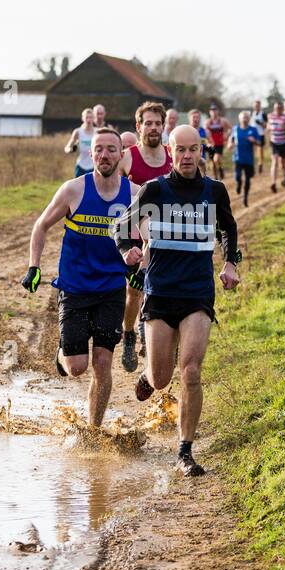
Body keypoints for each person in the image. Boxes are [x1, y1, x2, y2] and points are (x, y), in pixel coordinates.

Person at [115, 125, 241, 477]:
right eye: (180, 150)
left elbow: (228, 230)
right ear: (170, 152)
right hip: (160, 292)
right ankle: (148, 373)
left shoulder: (214, 191)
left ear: (202, 150)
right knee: (160, 377)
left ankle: (184, 449)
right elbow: (121, 227)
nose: (187, 156)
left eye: (193, 149)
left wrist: (231, 263)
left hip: (197, 293)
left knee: (191, 370)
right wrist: (129, 249)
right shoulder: (156, 190)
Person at [22, 128, 131, 430]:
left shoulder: (134, 195)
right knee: (77, 368)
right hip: (74, 287)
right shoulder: (73, 190)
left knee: (103, 363)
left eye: (112, 149)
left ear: (121, 155)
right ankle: (64, 353)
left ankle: (94, 428)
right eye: (99, 149)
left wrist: (142, 262)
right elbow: (41, 226)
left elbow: (149, 236)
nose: (105, 155)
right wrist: (34, 266)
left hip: (111, 288)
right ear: (91, 153)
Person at [117, 101, 173, 373]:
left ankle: (151, 337)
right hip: (135, 234)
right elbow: (108, 188)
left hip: (168, 235)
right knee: (133, 290)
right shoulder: (128, 157)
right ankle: (129, 334)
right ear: (138, 126)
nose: (153, 128)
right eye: (148, 123)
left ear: (163, 127)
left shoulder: (173, 155)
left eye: (157, 123)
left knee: (162, 289)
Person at [232, 110, 263, 207]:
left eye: (246, 117)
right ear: (239, 118)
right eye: (243, 117)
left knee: (248, 179)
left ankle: (245, 198)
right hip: (238, 157)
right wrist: (229, 144)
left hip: (249, 159)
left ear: (249, 119)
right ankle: (238, 183)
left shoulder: (253, 129)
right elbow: (231, 138)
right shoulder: (235, 128)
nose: (245, 118)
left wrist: (254, 141)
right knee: (238, 176)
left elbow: (259, 143)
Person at [267, 101, 285, 192]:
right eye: (276, 108)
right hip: (274, 143)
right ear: (274, 108)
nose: (278, 109)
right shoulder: (271, 116)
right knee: (275, 162)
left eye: (279, 108)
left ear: (282, 109)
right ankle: (273, 183)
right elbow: (267, 127)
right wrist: (270, 128)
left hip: (284, 143)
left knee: (283, 164)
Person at [64, 108, 95, 177]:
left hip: (93, 166)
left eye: (90, 117)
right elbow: (67, 147)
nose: (89, 120)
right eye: (86, 117)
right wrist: (70, 150)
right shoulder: (78, 132)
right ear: (82, 118)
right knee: (78, 187)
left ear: (93, 118)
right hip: (81, 166)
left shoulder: (97, 132)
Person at [205, 104, 228, 181]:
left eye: (215, 110)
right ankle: (216, 176)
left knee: (217, 159)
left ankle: (220, 170)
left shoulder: (222, 121)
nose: (214, 112)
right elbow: (205, 133)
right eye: (212, 110)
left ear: (218, 111)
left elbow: (231, 129)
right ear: (210, 112)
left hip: (219, 144)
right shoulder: (208, 122)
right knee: (212, 161)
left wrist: (226, 135)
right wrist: (208, 141)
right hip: (211, 144)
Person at [251, 99, 268, 174]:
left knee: (260, 151)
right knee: (252, 151)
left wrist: (260, 123)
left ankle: (260, 164)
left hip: (260, 134)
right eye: (255, 106)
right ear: (254, 106)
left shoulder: (263, 114)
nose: (257, 107)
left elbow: (266, 125)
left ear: (260, 106)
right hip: (253, 135)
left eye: (258, 105)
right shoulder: (253, 114)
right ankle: (252, 164)